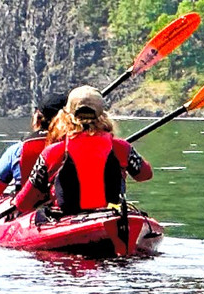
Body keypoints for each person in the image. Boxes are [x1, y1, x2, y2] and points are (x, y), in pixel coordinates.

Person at [14, 85, 150, 219]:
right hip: (110, 214)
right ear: (102, 116)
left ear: (65, 116)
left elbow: (23, 203)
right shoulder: (122, 147)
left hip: (66, 218)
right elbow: (145, 175)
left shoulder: (52, 152)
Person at [0, 93, 69, 203]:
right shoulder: (73, 145)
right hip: (66, 207)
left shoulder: (17, 150)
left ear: (37, 118)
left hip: (27, 207)